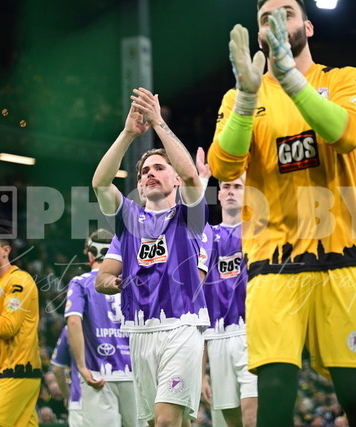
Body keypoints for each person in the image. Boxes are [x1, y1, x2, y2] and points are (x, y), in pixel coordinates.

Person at [207, 1, 356, 426]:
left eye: (286, 13)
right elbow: (224, 168)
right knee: (273, 393)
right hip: (272, 262)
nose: (275, 22)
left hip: (341, 256)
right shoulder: (241, 96)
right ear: (258, 36)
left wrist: (290, 77)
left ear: (307, 26)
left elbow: (345, 134)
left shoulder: (342, 79)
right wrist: (247, 99)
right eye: (265, 18)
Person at [93, 87, 209, 426]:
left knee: (166, 420)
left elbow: (192, 176)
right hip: (139, 330)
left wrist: (158, 123)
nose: (149, 174)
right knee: (159, 422)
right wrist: (128, 134)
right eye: (144, 172)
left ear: (175, 179)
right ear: (140, 185)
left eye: (159, 168)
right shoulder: (128, 221)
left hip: (181, 326)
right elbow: (101, 184)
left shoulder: (190, 215)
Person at [197, 149, 257, 427]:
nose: (231, 191)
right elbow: (183, 221)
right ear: (219, 194)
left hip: (251, 333)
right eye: (226, 187)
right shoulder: (208, 235)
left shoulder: (258, 232)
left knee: (252, 416)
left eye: (238, 187)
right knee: (232, 419)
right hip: (217, 336)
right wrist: (201, 373)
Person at [64, 228, 140, 427]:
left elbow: (73, 321)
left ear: (90, 254)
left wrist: (81, 366)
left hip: (98, 372)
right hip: (135, 371)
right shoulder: (132, 281)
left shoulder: (80, 283)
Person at [0, 227, 42, 426]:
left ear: (6, 250)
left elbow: (8, 328)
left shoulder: (19, 281)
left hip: (20, 370)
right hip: (6, 373)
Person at [50, 327, 83, 426]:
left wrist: (67, 396)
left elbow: (57, 370)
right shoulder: (114, 324)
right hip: (107, 399)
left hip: (79, 399)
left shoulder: (69, 329)